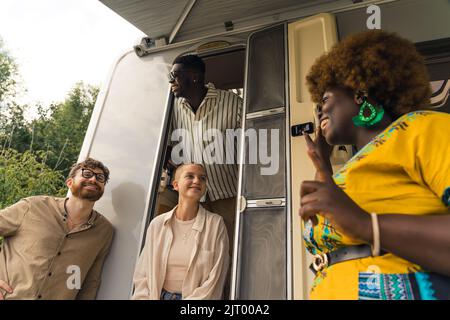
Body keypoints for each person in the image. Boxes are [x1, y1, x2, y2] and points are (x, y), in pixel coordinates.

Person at [300, 30, 450, 300]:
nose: (319, 111)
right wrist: (323, 170)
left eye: (324, 99)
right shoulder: (345, 169)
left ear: (359, 92)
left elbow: (357, 224)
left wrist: (367, 225)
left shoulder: (422, 128)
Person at [0, 158, 114, 300]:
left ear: (102, 189)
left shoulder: (104, 231)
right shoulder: (33, 206)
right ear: (69, 182)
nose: (93, 179)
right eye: (86, 174)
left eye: (100, 177)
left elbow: (91, 282)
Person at [167, 54, 243, 242]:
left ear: (194, 77)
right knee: (199, 252)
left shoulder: (232, 102)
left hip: (228, 195)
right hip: (192, 200)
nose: (171, 80)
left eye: (175, 75)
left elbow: (250, 145)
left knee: (230, 248)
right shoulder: (172, 107)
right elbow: (169, 147)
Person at [132, 163, 229, 300]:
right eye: (190, 176)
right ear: (176, 185)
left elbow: (216, 279)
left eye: (202, 178)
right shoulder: (157, 224)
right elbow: (143, 275)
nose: (197, 181)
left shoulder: (215, 224)